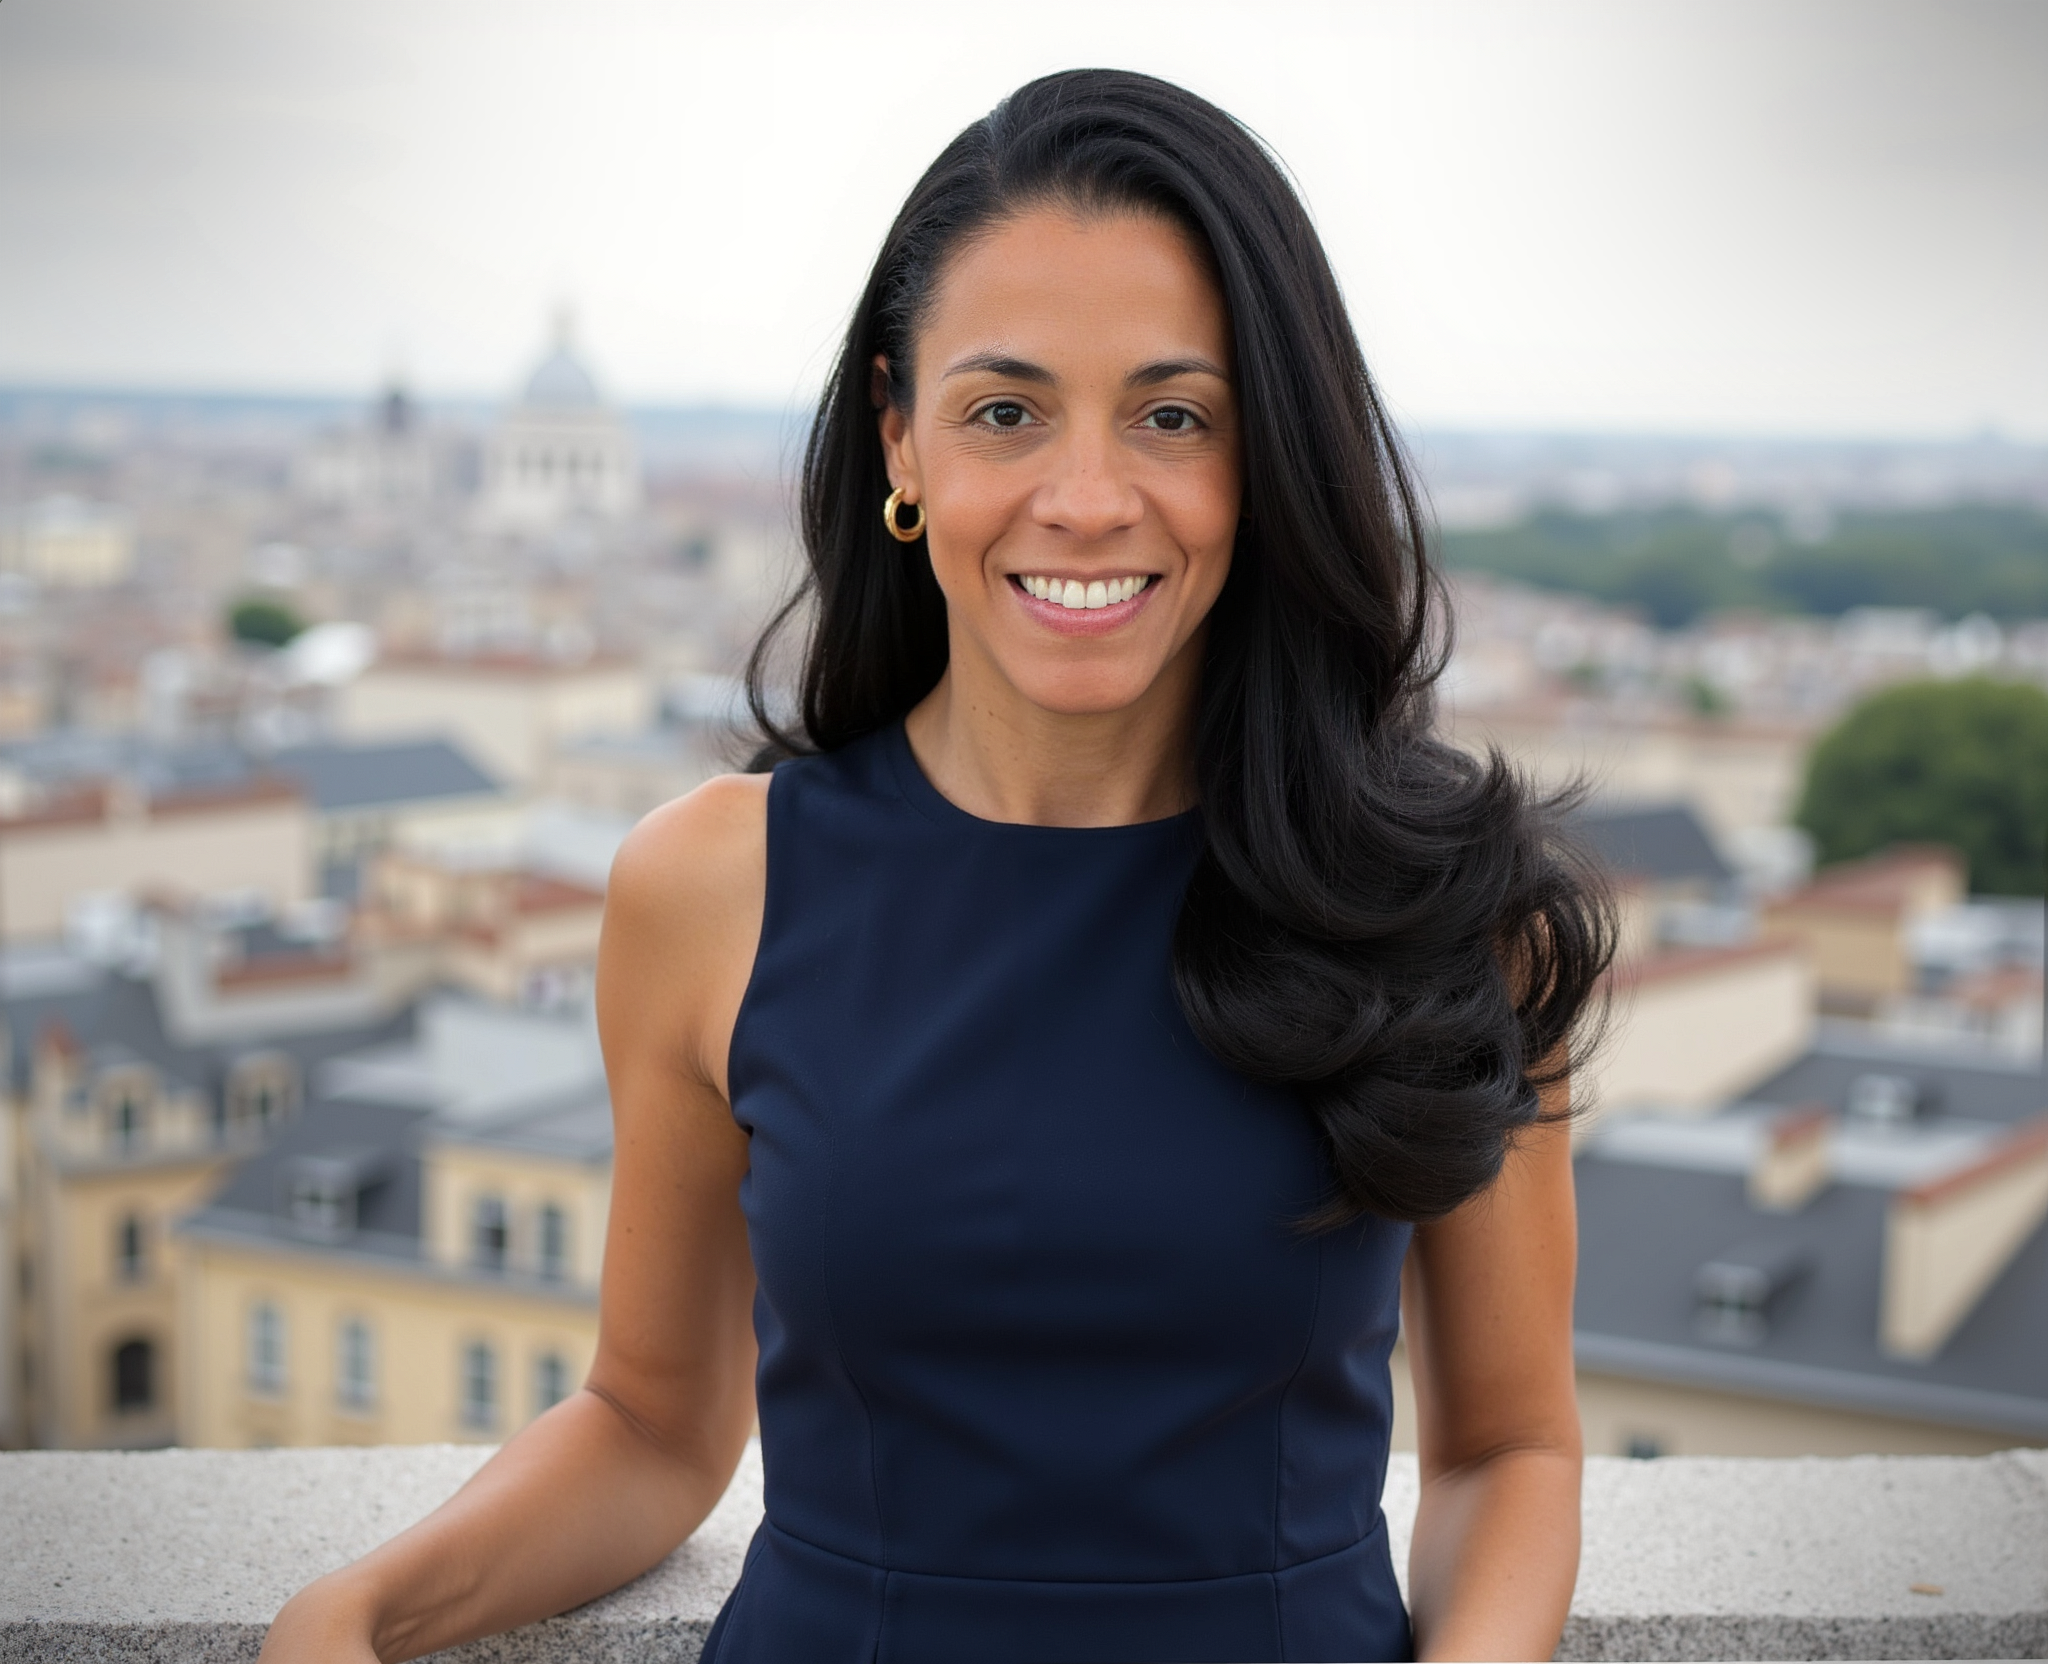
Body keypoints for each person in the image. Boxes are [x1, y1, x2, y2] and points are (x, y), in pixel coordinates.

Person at [260, 69, 1611, 1664]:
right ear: (901, 438)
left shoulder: (1452, 910)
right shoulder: (708, 891)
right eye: (1005, 411)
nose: (1090, 498)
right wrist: (353, 1610)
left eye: (1174, 415)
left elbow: (1508, 1447)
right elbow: (650, 1422)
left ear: (1267, 459)